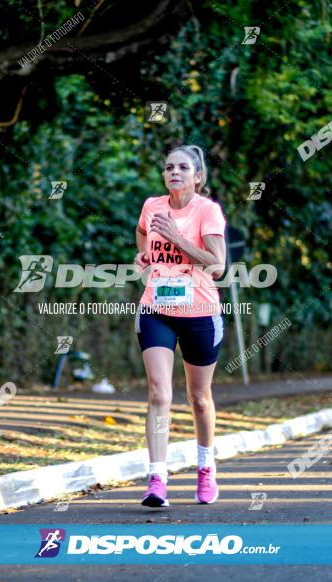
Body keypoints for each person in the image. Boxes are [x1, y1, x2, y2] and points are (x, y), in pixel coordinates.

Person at [134, 145, 227, 506]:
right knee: (159, 393)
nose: (175, 171)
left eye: (183, 167)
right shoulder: (152, 206)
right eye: (169, 166)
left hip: (200, 312)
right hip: (156, 308)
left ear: (198, 177)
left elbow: (217, 264)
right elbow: (142, 232)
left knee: (199, 399)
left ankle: (206, 468)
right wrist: (143, 253)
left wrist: (175, 237)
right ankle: (157, 477)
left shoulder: (208, 211)